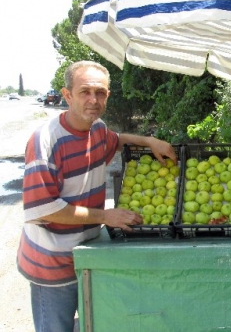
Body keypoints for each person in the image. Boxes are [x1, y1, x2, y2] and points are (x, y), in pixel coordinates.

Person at [16, 61, 177, 332]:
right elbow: (45, 209)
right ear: (67, 95)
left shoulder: (98, 130)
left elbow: (118, 138)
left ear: (108, 96)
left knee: (95, 323)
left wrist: (149, 141)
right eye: (85, 92)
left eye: (100, 92)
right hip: (53, 263)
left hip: (89, 254)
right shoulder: (45, 141)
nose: (94, 100)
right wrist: (106, 216)